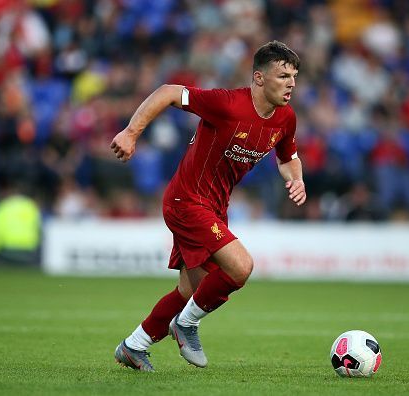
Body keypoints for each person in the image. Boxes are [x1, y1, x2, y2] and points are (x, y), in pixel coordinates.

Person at [111, 41, 306, 371]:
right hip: (185, 201)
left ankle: (135, 345)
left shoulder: (285, 119)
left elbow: (288, 158)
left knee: (192, 291)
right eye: (283, 75)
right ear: (259, 78)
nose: (291, 84)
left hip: (214, 208)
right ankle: (186, 325)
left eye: (294, 76)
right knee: (241, 267)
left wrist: (296, 179)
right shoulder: (228, 104)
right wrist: (132, 132)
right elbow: (168, 91)